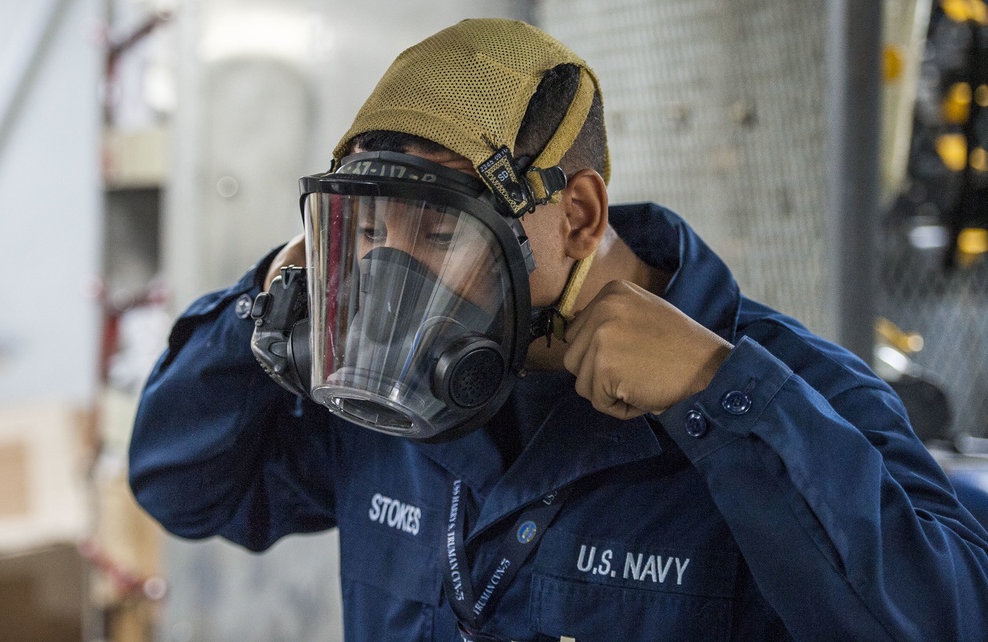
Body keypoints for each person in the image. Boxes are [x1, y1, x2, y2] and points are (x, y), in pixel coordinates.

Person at [129, 18, 988, 641]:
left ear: (577, 215)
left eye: (439, 231)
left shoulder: (796, 392)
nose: (394, 280)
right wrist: (268, 307)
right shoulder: (386, 376)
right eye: (369, 230)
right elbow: (182, 485)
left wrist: (723, 399)